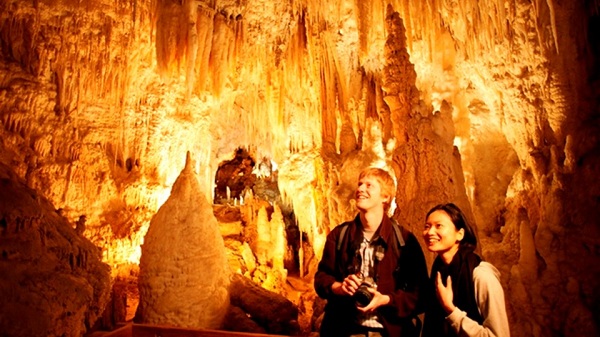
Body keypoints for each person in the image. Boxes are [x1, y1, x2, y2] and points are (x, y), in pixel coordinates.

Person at [314, 167, 428, 337]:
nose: (361, 189)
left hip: (388, 331)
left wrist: (387, 300)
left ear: (385, 197)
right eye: (360, 184)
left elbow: (421, 295)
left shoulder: (404, 241)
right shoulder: (339, 236)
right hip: (345, 330)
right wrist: (339, 287)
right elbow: (322, 278)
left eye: (369, 185)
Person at [421, 203, 510, 337]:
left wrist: (451, 310)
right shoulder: (439, 272)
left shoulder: (481, 276)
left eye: (439, 226)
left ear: (460, 234)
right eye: (427, 227)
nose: (430, 232)